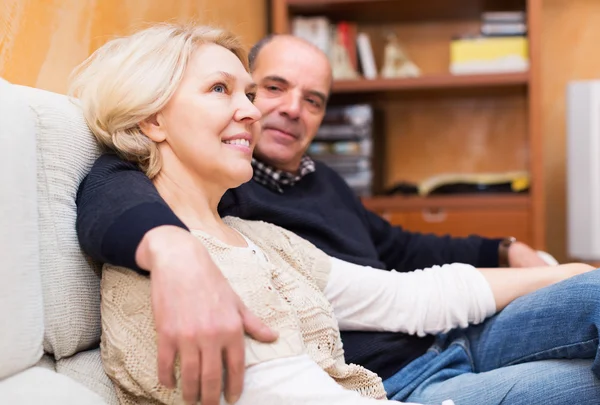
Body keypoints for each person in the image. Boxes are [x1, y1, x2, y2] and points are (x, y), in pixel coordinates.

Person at [74, 28, 600, 405]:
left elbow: (404, 276)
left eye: (313, 100)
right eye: (260, 88)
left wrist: (542, 264)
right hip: (399, 380)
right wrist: (171, 247)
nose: (263, 110)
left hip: (436, 343)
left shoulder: (277, 217)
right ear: (153, 118)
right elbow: (107, 184)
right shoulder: (162, 224)